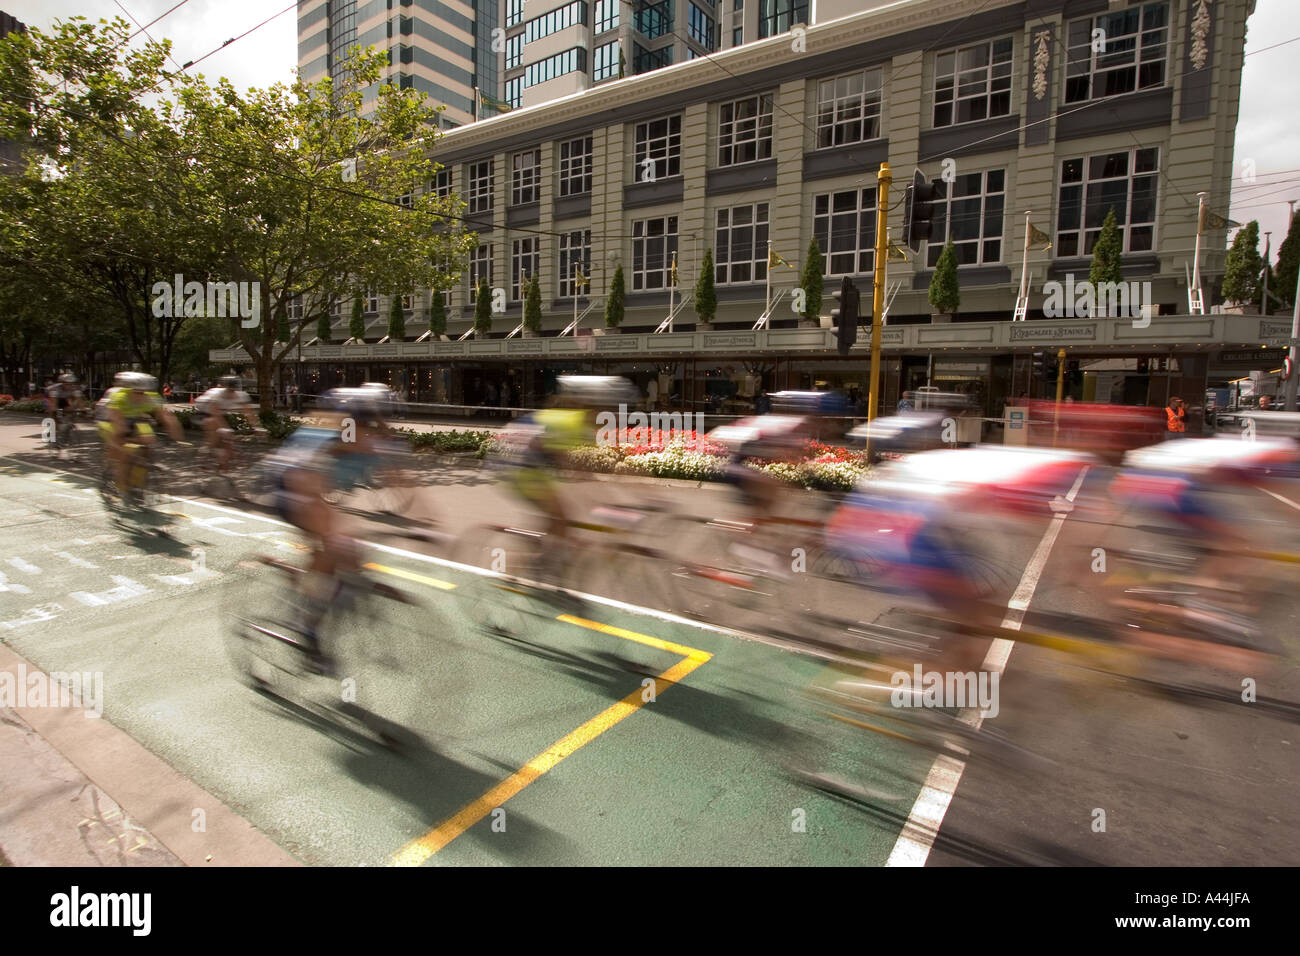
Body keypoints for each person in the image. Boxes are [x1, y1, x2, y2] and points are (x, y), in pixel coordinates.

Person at [267, 387, 390, 674]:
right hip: (292, 486)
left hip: (307, 488)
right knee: (336, 551)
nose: (380, 428)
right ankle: (306, 626)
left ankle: (308, 603)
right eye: (374, 422)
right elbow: (309, 485)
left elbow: (394, 475)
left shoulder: (342, 428)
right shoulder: (341, 431)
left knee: (338, 558)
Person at [98, 372, 186, 497]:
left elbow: (167, 417)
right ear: (128, 390)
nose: (141, 396)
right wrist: (125, 442)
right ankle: (122, 488)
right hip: (109, 421)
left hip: (133, 418)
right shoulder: (119, 397)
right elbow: (118, 425)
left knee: (148, 443)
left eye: (143, 392)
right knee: (122, 453)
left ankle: (136, 484)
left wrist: (178, 439)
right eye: (136, 392)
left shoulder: (151, 396)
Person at [194, 376, 258, 475]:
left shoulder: (240, 395)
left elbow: (248, 412)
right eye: (229, 390)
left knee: (227, 438)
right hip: (203, 413)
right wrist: (225, 429)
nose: (231, 393)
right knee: (215, 437)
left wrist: (257, 427)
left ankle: (222, 466)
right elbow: (215, 414)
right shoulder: (217, 395)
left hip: (218, 413)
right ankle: (203, 456)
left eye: (233, 390)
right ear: (225, 387)